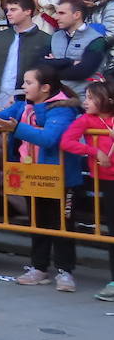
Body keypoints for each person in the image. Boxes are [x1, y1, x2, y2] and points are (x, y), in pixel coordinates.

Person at [0, 65, 80, 289]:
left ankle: (65, 271)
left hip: (60, 177)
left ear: (45, 87)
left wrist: (16, 128)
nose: (23, 87)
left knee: (61, 224)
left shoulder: (63, 109)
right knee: (38, 222)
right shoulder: (23, 106)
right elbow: (0, 117)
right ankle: (38, 267)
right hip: (32, 173)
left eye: (28, 83)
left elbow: (49, 139)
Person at [59, 81, 114, 300]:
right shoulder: (85, 120)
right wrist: (92, 151)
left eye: (91, 98)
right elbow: (67, 141)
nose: (86, 102)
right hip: (107, 180)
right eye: (86, 97)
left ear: (108, 100)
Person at [0, 0, 47, 106]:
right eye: (7, 10)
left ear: (28, 11)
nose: (8, 13)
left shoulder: (45, 40)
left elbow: (45, 74)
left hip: (26, 103)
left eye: (13, 10)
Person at [44, 0, 105, 98]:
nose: (56, 17)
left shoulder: (97, 40)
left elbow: (83, 71)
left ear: (76, 15)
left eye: (62, 13)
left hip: (83, 100)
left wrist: (53, 67)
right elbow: (40, 63)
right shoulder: (55, 36)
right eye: (57, 13)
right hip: (54, 97)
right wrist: (71, 62)